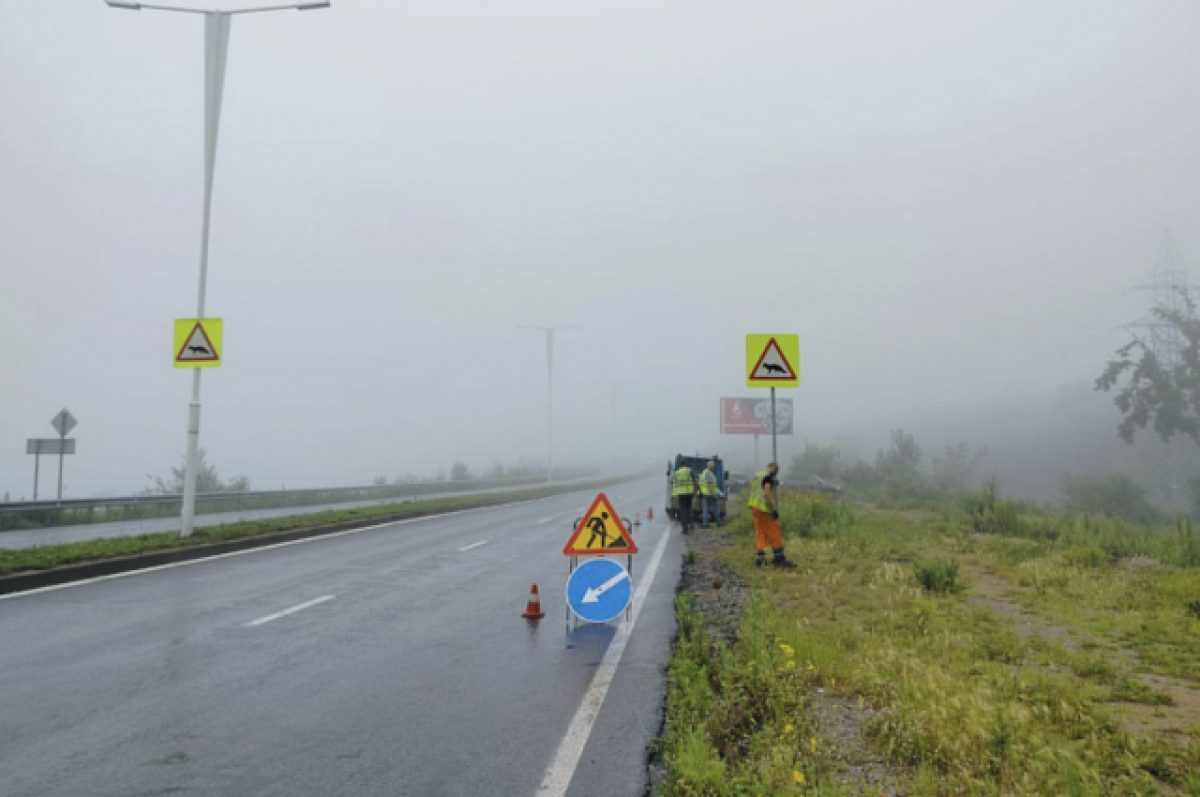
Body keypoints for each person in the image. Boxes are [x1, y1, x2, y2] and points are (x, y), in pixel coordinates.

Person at [746, 462, 796, 568]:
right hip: (764, 510)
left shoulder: (758, 475)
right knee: (774, 531)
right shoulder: (768, 478)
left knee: (760, 533)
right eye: (775, 472)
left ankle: (760, 558)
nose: (775, 474)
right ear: (773, 469)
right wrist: (772, 510)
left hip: (755, 508)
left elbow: (759, 487)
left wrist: (775, 482)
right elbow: (767, 493)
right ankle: (779, 558)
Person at [671, 462, 699, 533]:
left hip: (680, 493)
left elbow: (670, 481)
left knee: (683, 510)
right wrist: (697, 489)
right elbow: (696, 481)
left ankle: (685, 529)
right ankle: (691, 524)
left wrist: (676, 482)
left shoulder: (677, 472)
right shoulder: (690, 470)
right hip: (689, 492)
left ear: (681, 465)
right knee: (689, 508)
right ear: (686, 465)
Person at [699, 460, 722, 528]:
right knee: (715, 509)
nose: (713, 467)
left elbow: (701, 484)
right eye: (713, 466)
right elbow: (710, 485)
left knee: (706, 509)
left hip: (705, 493)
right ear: (710, 466)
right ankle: (718, 523)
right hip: (710, 494)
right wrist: (713, 494)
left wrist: (719, 492)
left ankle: (705, 524)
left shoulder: (704, 472)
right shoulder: (709, 474)